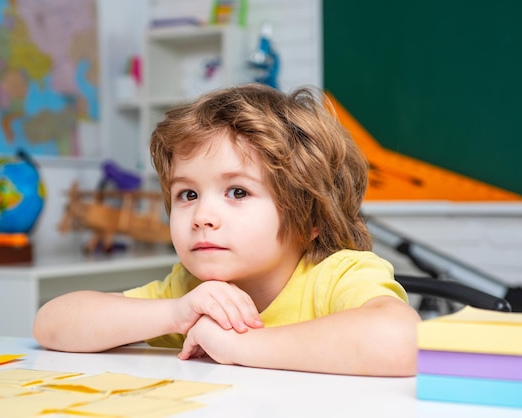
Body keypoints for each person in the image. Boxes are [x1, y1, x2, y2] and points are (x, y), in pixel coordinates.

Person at [33, 83, 420, 377]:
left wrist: (240, 345)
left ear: (311, 217)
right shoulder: (188, 290)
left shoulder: (339, 276)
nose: (202, 215)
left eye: (237, 191)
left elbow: (405, 342)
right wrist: (173, 314)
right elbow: (51, 324)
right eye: (187, 193)